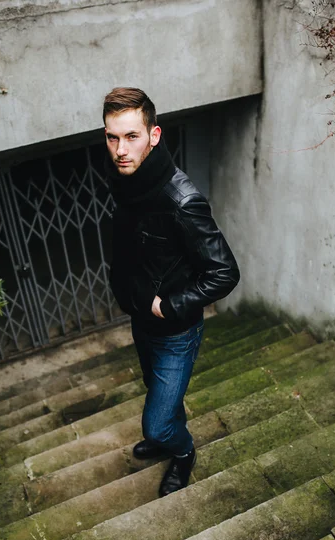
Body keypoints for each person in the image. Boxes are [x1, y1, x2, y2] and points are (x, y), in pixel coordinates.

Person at [103, 87, 240, 497]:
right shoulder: (129, 181)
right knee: (159, 394)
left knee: (158, 421)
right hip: (141, 319)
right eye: (112, 137)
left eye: (131, 136)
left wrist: (170, 305)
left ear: (154, 135)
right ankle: (166, 433)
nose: (120, 149)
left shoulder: (182, 201)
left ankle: (181, 451)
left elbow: (225, 272)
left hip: (175, 331)